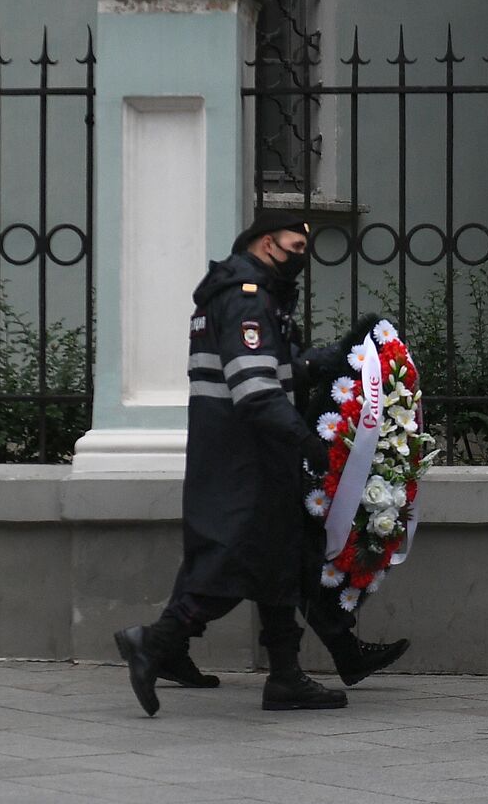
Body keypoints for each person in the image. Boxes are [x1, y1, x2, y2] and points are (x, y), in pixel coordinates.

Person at [114, 211, 400, 715]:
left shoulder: (244, 295)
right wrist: (310, 443)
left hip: (244, 451)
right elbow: (255, 390)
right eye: (295, 247)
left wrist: (324, 361)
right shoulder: (245, 297)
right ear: (266, 243)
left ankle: (285, 677)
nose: (300, 259)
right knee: (233, 561)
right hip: (245, 454)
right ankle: (154, 641)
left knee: (278, 561)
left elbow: (271, 369)